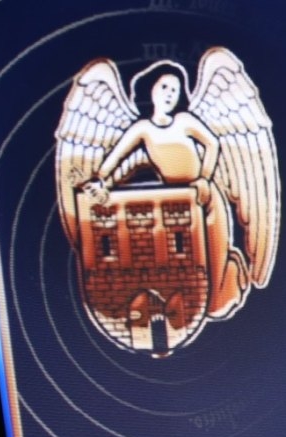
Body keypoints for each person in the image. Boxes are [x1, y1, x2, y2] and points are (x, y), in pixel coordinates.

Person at [85, 60, 249, 318]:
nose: (170, 94)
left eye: (175, 89)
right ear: (151, 90)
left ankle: (220, 296)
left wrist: (204, 178)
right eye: (164, 87)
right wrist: (101, 180)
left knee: (214, 254)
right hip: (176, 203)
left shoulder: (184, 121)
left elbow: (212, 144)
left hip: (204, 198)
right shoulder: (143, 129)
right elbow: (116, 156)